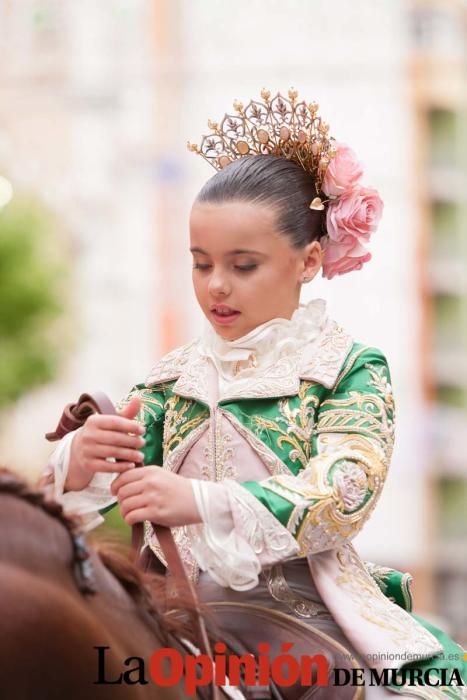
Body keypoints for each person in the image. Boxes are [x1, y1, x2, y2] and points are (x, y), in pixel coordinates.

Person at [41, 89, 466, 698]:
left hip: (300, 617)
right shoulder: (171, 377)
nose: (216, 287)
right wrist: (81, 461)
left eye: (243, 266)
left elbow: (345, 489)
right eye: (200, 263)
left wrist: (199, 500)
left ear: (310, 259)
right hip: (169, 611)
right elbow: (108, 482)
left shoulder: (346, 368)